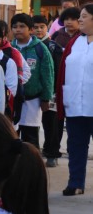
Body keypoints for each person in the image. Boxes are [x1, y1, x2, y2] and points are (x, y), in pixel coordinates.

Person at [55, 3, 93, 196]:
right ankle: (75, 183)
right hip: (75, 104)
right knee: (75, 146)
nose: (79, 20)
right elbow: (63, 71)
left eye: (84, 16)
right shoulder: (75, 42)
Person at [11, 13, 54, 150]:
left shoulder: (40, 48)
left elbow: (47, 74)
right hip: (13, 101)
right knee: (12, 136)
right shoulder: (9, 49)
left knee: (31, 138)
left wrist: (46, 98)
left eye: (22, 26)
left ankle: (32, 161)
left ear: (30, 29)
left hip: (33, 100)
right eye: (15, 26)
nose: (18, 29)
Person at [32, 14, 64, 167]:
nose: (38, 30)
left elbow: (58, 71)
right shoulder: (27, 46)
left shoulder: (53, 47)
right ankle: (33, 153)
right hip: (32, 93)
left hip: (51, 92)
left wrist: (54, 92)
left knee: (51, 123)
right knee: (32, 124)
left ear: (47, 27)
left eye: (42, 27)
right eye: (35, 27)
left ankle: (52, 153)